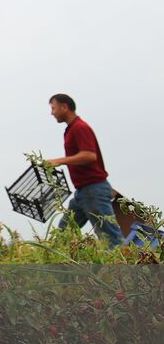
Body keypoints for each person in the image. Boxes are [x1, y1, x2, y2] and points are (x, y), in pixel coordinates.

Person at [46, 93, 124, 247]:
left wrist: (58, 161)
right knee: (63, 235)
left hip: (93, 189)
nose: (52, 113)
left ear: (64, 107)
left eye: (53, 108)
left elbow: (89, 155)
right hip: (83, 192)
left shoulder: (80, 128)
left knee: (110, 239)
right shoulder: (71, 129)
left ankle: (126, 269)